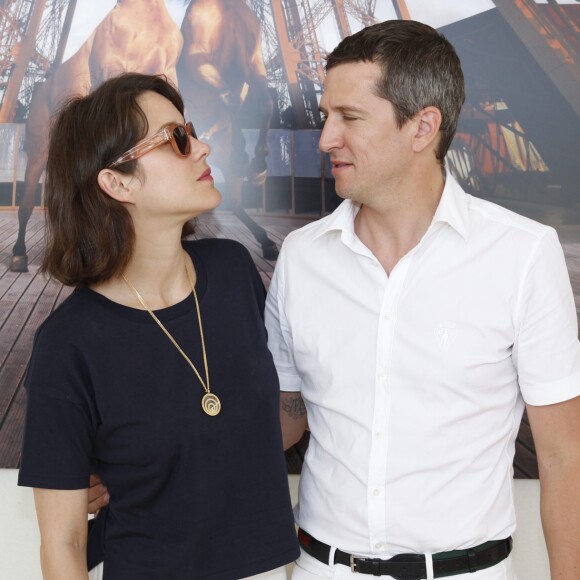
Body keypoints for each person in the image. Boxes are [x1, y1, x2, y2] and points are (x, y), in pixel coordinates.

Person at [265, 20, 580, 580]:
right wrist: (143, 458)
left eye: (351, 118)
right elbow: (286, 415)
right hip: (323, 569)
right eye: (327, 116)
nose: (325, 138)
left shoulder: (524, 254)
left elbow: (563, 457)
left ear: (422, 126)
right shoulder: (300, 257)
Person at [18, 72, 299, 579]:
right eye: (177, 138)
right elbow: (62, 542)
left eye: (189, 130)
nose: (203, 146)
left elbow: (260, 426)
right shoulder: (68, 345)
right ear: (117, 181)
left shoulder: (234, 271)